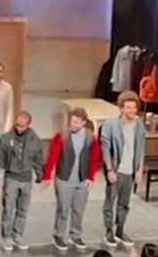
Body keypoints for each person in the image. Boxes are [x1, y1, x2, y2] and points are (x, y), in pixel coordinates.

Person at [43, 107, 102, 252]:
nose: (73, 125)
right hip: (65, 178)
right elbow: (53, 156)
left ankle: (75, 235)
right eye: (72, 122)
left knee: (79, 210)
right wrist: (47, 175)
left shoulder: (90, 137)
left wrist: (91, 176)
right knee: (63, 209)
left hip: (82, 179)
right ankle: (58, 235)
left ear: (83, 122)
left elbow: (95, 157)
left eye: (76, 122)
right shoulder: (62, 136)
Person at [0, 111, 44, 251]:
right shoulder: (6, 139)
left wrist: (40, 175)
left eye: (22, 126)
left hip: (26, 180)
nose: (19, 128)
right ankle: (6, 236)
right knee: (8, 209)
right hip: (11, 178)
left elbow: (38, 159)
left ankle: (17, 234)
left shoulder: (35, 140)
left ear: (28, 125)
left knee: (23, 209)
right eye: (17, 125)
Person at [100, 90, 147, 248]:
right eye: (128, 107)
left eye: (134, 107)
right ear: (121, 108)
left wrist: (140, 169)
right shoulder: (111, 125)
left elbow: (141, 148)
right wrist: (109, 170)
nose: (131, 111)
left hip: (130, 171)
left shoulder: (139, 125)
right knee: (110, 202)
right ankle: (109, 231)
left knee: (124, 203)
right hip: (116, 170)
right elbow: (105, 149)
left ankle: (120, 230)